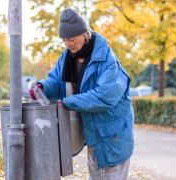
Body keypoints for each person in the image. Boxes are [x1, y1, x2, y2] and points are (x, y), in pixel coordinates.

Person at [29, 8, 134, 180]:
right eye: (64, 40)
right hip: (93, 132)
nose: (68, 44)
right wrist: (42, 87)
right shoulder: (67, 57)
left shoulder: (106, 58)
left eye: (71, 39)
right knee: (95, 175)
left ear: (85, 34)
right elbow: (57, 81)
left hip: (114, 133)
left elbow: (104, 96)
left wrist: (69, 102)